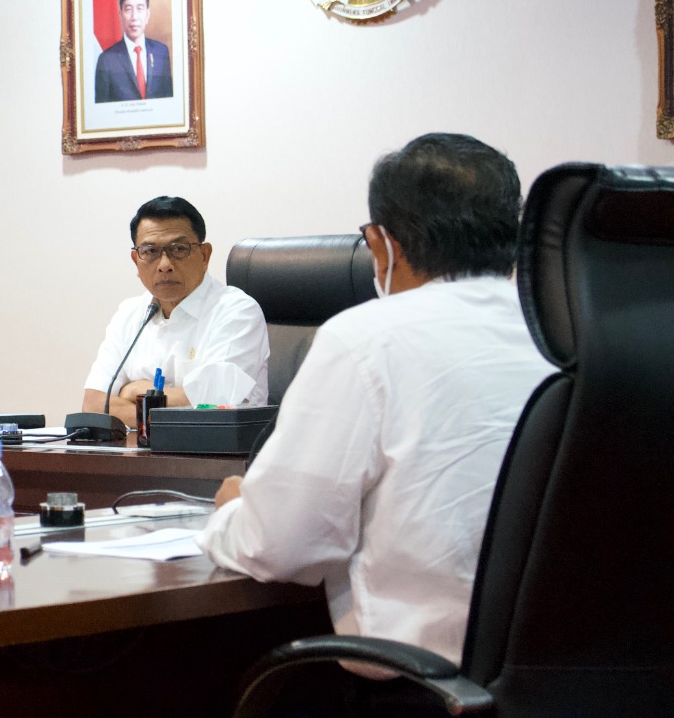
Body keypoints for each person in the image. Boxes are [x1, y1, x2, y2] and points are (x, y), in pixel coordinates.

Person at [198, 134, 555, 708]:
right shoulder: (562, 335)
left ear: (380, 244)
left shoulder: (365, 338)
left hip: (422, 692)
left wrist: (233, 513)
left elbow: (282, 547)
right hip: (566, 688)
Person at [83, 196, 269, 429]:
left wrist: (136, 393)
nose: (164, 264)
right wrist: (178, 401)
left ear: (204, 256)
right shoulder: (130, 313)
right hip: (134, 459)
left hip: (219, 460)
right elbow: (94, 405)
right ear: (136, 260)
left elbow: (214, 410)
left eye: (178, 249)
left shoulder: (236, 311)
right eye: (150, 251)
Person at [94, 0, 174, 103]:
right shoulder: (106, 60)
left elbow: (169, 101)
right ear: (120, 14)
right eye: (128, 9)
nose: (134, 17)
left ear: (147, 15)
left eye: (140, 8)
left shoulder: (161, 52)